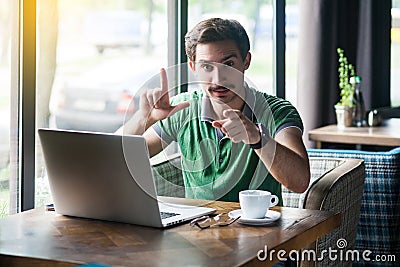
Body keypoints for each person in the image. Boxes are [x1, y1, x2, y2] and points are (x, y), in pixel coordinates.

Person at [117, 18, 310, 204]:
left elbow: (300, 182)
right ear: (193, 67)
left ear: (246, 61)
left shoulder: (277, 111)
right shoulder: (183, 109)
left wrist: (257, 138)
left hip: (262, 232)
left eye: (229, 64)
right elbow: (116, 157)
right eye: (207, 66)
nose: (218, 79)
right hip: (197, 230)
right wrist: (144, 119)